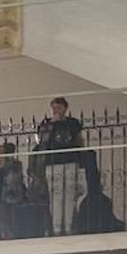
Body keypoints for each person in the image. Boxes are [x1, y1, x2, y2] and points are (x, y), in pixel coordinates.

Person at [31, 97, 85, 237]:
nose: (56, 111)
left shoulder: (73, 123)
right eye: (54, 108)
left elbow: (79, 141)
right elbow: (42, 141)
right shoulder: (46, 123)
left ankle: (68, 226)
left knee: (69, 195)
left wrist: (81, 159)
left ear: (65, 108)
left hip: (70, 160)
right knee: (56, 195)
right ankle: (56, 227)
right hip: (53, 162)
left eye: (59, 108)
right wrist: (51, 125)